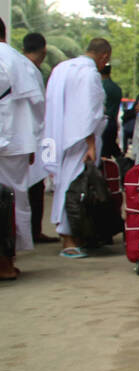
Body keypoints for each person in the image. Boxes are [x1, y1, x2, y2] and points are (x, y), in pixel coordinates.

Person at [43, 37, 110, 257]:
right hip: (80, 140)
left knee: (64, 183)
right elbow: (89, 112)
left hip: (59, 135)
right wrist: (90, 144)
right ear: (104, 57)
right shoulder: (89, 74)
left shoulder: (62, 67)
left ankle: (74, 233)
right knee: (75, 188)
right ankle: (68, 237)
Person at [0, 33, 46, 277]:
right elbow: (37, 105)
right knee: (12, 200)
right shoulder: (19, 62)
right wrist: (33, 141)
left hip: (12, 140)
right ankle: (6, 263)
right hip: (14, 141)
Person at [18, 33, 52, 243]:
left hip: (20, 134)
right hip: (29, 136)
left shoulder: (18, 64)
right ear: (44, 51)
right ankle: (31, 232)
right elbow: (37, 106)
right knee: (33, 186)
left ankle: (28, 231)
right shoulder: (30, 70)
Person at [99, 61, 123, 160]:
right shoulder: (117, 88)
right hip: (113, 122)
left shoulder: (100, 87)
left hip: (103, 124)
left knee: (102, 154)